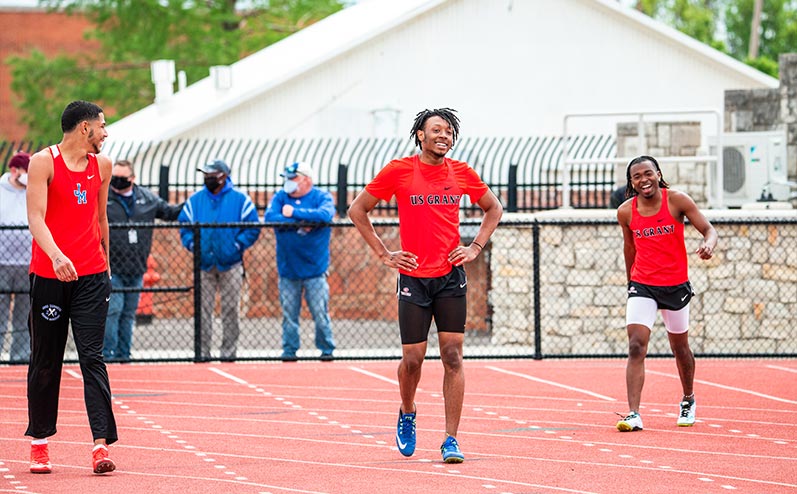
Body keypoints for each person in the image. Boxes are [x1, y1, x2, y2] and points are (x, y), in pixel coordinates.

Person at [348, 108, 503, 463]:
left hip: (450, 277)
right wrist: (384, 254)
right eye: (436, 130)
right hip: (414, 280)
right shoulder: (399, 171)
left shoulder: (462, 173)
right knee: (413, 360)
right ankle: (407, 410)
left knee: (452, 356)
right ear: (420, 134)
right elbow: (359, 209)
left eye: (449, 131)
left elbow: (493, 208)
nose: (444, 136)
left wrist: (476, 246)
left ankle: (451, 439)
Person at [25, 100, 117, 474]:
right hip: (50, 275)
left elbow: (101, 219)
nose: (106, 133)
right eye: (102, 126)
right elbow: (35, 217)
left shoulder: (103, 167)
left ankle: (100, 445)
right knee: (46, 360)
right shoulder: (42, 162)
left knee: (92, 357)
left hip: (92, 277)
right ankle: (40, 441)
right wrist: (56, 256)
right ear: (84, 128)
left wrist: (107, 264)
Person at [615, 155, 718, 432]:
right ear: (632, 182)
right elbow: (629, 249)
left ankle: (688, 399)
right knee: (636, 345)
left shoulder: (677, 200)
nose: (643, 180)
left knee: (679, 348)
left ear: (658, 174)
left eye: (648, 173)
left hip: (675, 285)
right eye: (636, 176)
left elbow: (708, 230)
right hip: (642, 285)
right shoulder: (626, 211)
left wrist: (709, 245)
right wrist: (631, 284)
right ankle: (633, 414)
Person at [178, 159, 260, 360]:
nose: (208, 179)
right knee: (203, 310)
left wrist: (237, 246)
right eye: (206, 175)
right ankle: (202, 352)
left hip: (230, 263)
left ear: (223, 176)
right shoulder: (195, 200)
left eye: (212, 175)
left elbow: (252, 227)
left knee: (230, 309)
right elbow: (184, 226)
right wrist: (192, 245)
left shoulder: (240, 199)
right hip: (204, 263)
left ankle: (228, 353)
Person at [103, 159, 183, 361]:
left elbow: (169, 213)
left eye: (122, 178)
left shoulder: (147, 199)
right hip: (111, 267)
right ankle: (108, 355)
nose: (117, 182)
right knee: (113, 311)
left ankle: (124, 355)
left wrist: (194, 202)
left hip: (136, 268)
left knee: (129, 314)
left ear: (132, 178)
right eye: (115, 177)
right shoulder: (104, 197)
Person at [264, 162, 336, 362]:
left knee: (320, 313)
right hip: (288, 270)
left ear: (306, 179)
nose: (288, 183)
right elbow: (271, 218)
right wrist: (306, 222)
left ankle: (327, 349)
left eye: (293, 178)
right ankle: (289, 350)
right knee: (289, 315)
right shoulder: (280, 197)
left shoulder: (321, 196)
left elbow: (325, 215)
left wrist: (294, 213)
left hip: (315, 270)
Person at [0, 152, 32, 362]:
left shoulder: (34, 190)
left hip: (27, 263)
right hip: (2, 262)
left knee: (24, 314)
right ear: (15, 171)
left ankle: (19, 358)